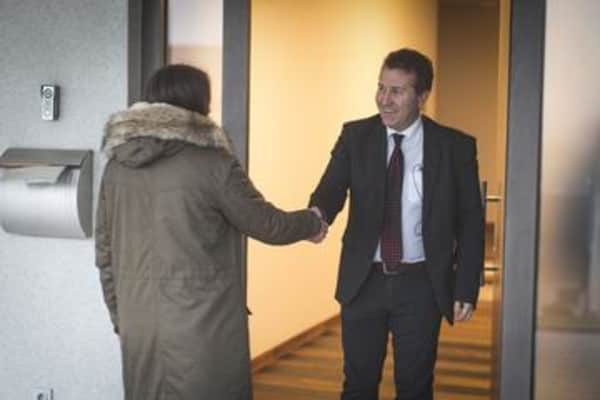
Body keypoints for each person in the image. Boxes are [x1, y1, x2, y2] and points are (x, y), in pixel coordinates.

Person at [94, 64, 327, 400]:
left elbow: (105, 253)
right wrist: (312, 222)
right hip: (201, 325)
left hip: (139, 324)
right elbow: (267, 224)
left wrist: (121, 317)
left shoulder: (117, 167)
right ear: (199, 102)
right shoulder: (212, 164)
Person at [310, 48, 484, 400]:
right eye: (381, 88)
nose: (384, 100)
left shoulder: (454, 147)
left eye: (396, 91)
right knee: (358, 384)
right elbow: (330, 190)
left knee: (415, 386)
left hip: (421, 283)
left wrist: (465, 286)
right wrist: (317, 216)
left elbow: (470, 222)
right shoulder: (355, 136)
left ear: (422, 96)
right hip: (363, 281)